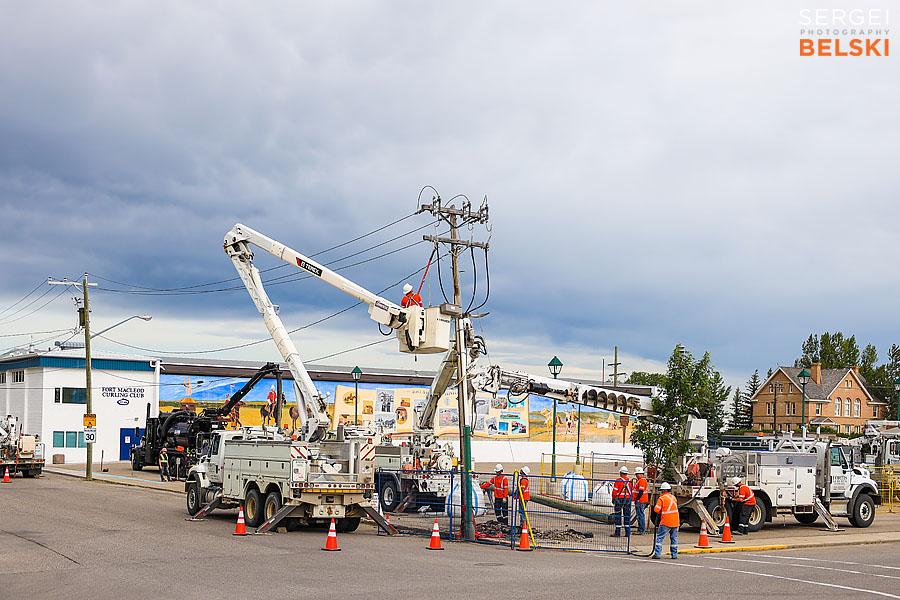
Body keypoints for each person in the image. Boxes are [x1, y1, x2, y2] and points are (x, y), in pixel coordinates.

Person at [652, 482, 679, 559]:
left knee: (660, 538)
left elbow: (656, 510)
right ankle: (674, 555)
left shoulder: (662, 498)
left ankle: (657, 554)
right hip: (676, 521)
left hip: (666, 521)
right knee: (674, 538)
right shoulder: (673, 498)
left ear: (663, 490)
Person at [611, 466, 632, 537]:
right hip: (627, 500)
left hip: (619, 500)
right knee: (627, 516)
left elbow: (614, 492)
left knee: (618, 515)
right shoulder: (629, 481)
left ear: (620, 473)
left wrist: (613, 499)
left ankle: (617, 532)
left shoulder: (618, 481)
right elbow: (631, 492)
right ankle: (627, 533)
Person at [633, 466, 649, 535]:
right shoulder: (641, 480)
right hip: (641, 500)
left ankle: (641, 530)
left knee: (640, 515)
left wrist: (637, 499)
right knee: (640, 515)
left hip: (640, 501)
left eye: (637, 474)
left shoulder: (642, 480)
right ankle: (641, 529)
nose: (636, 475)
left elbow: (641, 491)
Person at [515, 466, 531, 530]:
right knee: (522, 511)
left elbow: (522, 489)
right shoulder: (524, 479)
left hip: (523, 498)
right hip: (523, 498)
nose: (520, 470)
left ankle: (523, 525)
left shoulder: (524, 480)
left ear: (523, 472)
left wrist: (516, 493)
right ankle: (523, 524)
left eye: (521, 470)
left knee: (522, 512)